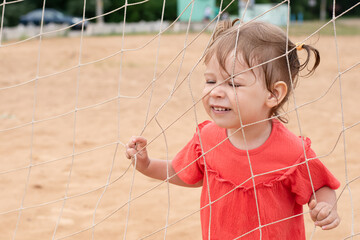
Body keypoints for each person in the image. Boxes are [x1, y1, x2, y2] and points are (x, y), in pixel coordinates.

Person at [125, 20, 341, 239]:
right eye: (210, 81)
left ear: (274, 94)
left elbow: (321, 186)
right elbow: (185, 173)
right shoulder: (207, 138)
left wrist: (326, 207)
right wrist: (147, 165)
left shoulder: (293, 151)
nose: (216, 92)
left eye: (233, 84)